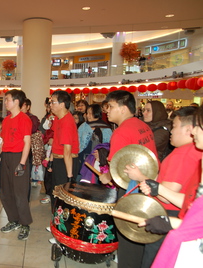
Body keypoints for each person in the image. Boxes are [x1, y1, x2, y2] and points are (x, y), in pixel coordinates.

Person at [124, 106, 200, 267]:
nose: (171, 131)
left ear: (188, 129)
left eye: (175, 126)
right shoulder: (195, 152)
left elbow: (167, 195)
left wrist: (141, 177)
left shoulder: (183, 155)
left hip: (168, 213)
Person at [99, 90, 158, 268]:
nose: (107, 110)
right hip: (147, 186)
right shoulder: (142, 125)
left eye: (111, 106)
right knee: (140, 236)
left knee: (128, 237)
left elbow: (117, 170)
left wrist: (106, 176)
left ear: (123, 108)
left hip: (130, 189)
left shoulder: (121, 132)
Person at [0, 89, 33, 240]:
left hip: (18, 157)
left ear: (16, 101)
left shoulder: (24, 119)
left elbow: (27, 142)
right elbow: (3, 141)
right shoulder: (6, 120)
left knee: (20, 193)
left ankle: (25, 224)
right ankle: (14, 220)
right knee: (6, 192)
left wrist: (22, 163)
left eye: (8, 99)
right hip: (6, 157)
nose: (5, 102)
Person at [49, 90, 79, 205]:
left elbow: (67, 151)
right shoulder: (57, 118)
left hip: (66, 162)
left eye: (53, 102)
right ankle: (55, 221)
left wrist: (69, 176)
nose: (50, 105)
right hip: (58, 160)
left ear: (62, 105)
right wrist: (51, 161)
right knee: (55, 194)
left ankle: (60, 222)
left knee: (63, 196)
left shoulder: (67, 122)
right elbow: (55, 141)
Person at [77, 104, 112, 178]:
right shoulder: (83, 126)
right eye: (87, 113)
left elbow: (108, 144)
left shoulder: (105, 128)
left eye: (91, 113)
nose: (88, 115)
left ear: (96, 113)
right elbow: (78, 139)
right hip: (83, 157)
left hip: (98, 159)